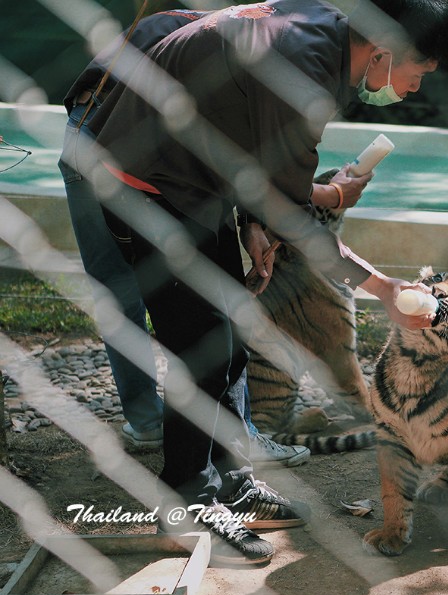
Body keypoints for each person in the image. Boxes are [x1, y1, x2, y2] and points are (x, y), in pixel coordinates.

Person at [82, 0, 448, 565]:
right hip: (144, 184)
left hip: (191, 177)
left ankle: (230, 483)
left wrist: (256, 219)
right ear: (385, 51)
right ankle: (185, 506)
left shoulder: (326, 36)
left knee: (228, 334)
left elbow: (250, 149)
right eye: (417, 75)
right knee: (203, 349)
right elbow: (298, 215)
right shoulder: (305, 70)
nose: (411, 91)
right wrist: (381, 286)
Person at [58, 8, 312, 468]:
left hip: (85, 134)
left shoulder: (207, 31)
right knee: (207, 298)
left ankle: (147, 423)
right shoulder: (240, 45)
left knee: (122, 295)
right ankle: (236, 436)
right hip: (119, 143)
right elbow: (231, 150)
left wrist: (249, 221)